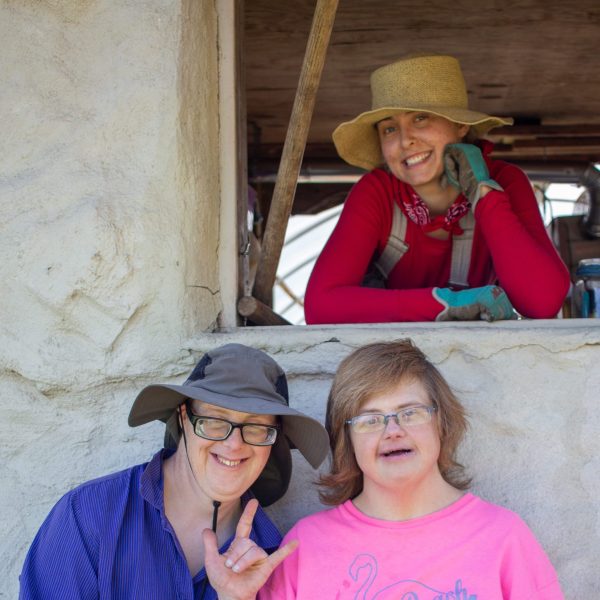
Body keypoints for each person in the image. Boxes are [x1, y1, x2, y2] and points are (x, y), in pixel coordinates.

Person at [216, 340, 563, 599]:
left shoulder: (503, 537)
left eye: (410, 412)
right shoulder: (303, 546)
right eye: (370, 420)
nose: (393, 431)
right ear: (346, 439)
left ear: (441, 422)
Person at [19, 343, 329, 600]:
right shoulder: (89, 516)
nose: (234, 444)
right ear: (183, 418)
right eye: (215, 420)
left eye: (257, 427)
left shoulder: (269, 556)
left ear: (273, 441)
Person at [304, 54, 570, 323]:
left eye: (420, 118)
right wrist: (443, 305)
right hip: (393, 360)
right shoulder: (378, 192)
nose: (405, 140)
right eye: (389, 129)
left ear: (461, 125)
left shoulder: (504, 181)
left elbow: (542, 302)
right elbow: (320, 307)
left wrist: (485, 196)